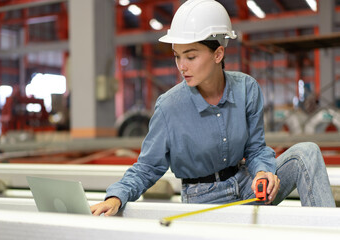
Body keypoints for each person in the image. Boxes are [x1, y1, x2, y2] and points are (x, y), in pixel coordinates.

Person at [91, 0, 335, 216]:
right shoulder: (169, 107)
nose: (181, 66)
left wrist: (262, 173)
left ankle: (327, 231)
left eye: (191, 56)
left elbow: (256, 148)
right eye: (177, 56)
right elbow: (147, 167)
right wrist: (116, 196)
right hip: (203, 201)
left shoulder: (247, 89)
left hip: (249, 186)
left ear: (218, 54)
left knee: (308, 152)